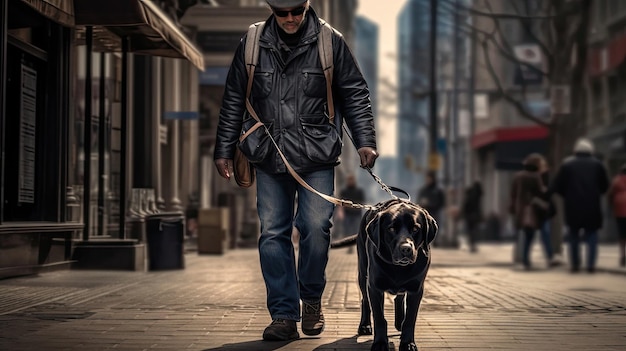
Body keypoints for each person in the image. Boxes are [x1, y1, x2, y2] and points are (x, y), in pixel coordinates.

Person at [213, 0, 378, 342]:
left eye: (296, 12)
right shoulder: (253, 41)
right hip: (268, 154)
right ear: (272, 10)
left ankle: (312, 298)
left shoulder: (331, 41)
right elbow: (232, 98)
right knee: (273, 233)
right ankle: (284, 314)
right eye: (281, 13)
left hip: (316, 154)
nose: (289, 19)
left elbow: (354, 94)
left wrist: (365, 141)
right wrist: (223, 150)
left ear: (306, 7)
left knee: (316, 228)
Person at [548, 138, 609, 273]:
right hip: (592, 205)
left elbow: (557, 186)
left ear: (575, 151)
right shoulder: (598, 165)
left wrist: (567, 195)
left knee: (573, 235)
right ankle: (590, 265)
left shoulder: (567, 165)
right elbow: (605, 186)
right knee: (592, 235)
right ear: (590, 150)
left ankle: (575, 264)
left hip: (572, 206)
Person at [510, 153, 551, 270]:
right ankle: (525, 259)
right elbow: (540, 191)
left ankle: (521, 258)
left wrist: (512, 207)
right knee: (530, 236)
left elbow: (513, 194)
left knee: (520, 235)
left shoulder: (518, 176)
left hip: (519, 210)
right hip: (531, 210)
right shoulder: (535, 176)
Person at [338, 174, 365, 253]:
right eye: (349, 180)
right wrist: (340, 212)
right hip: (347, 214)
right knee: (347, 231)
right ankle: (350, 246)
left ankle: (356, 246)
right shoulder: (344, 191)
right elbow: (340, 203)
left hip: (356, 214)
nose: (350, 182)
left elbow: (362, 202)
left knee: (356, 231)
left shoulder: (359, 191)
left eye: (351, 180)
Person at [417, 170, 445, 245]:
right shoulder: (423, 190)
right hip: (425, 212)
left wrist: (431, 204)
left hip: (435, 212)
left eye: (429, 178)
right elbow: (418, 201)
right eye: (427, 179)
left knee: (435, 227)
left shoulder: (438, 190)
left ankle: (435, 242)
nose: (428, 180)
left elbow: (441, 202)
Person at [607, 163, 626, 267]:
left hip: (619, 211)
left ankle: (623, 255)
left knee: (622, 235)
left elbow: (610, 195)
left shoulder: (616, 180)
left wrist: (611, 207)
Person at [461, 181, 483, 253]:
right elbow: (476, 207)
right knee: (474, 231)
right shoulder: (476, 196)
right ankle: (473, 245)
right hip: (473, 215)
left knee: (470, 231)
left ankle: (471, 245)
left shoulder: (470, 195)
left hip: (469, 215)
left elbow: (466, 205)